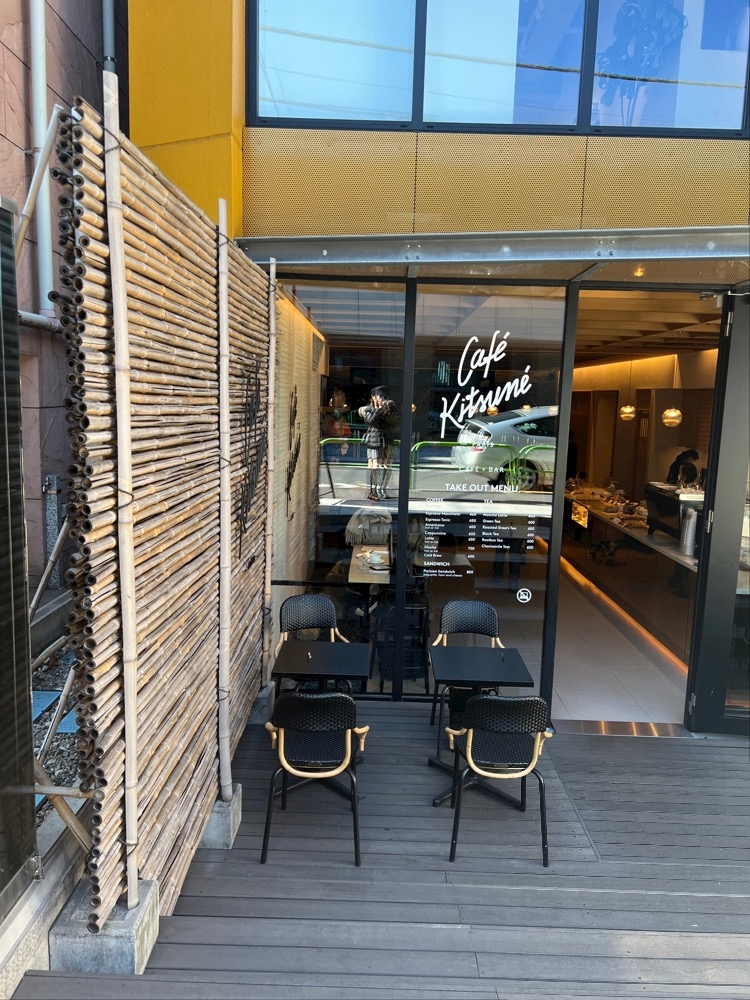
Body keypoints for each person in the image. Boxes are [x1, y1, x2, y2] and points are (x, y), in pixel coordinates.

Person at [358, 386, 397, 500]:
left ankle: (381, 489)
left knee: (387, 465)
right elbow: (370, 421)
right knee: (375, 465)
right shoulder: (369, 409)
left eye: (385, 397)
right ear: (374, 397)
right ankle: (372, 491)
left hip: (388, 438)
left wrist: (388, 410)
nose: (383, 400)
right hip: (375, 439)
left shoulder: (390, 407)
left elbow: (395, 422)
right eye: (381, 397)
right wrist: (378, 410)